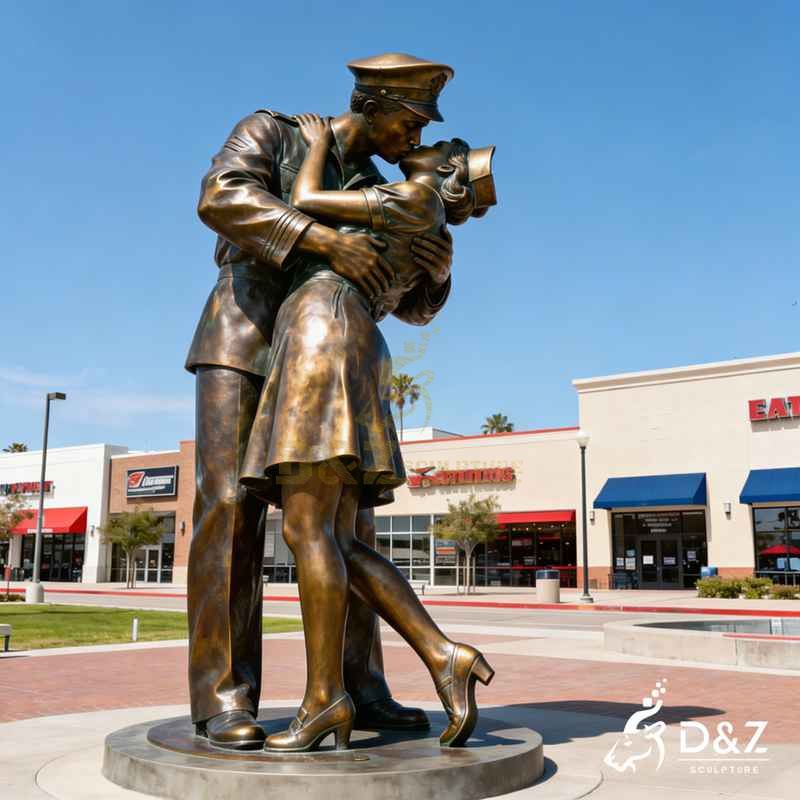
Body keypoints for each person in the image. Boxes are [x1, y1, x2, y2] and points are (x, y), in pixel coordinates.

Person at [186, 53, 457, 750]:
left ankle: (358, 687)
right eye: (410, 121)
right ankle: (223, 696)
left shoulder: (379, 188)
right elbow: (220, 196)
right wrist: (318, 237)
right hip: (245, 336)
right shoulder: (275, 133)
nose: (414, 138)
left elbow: (410, 307)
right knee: (228, 507)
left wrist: (434, 273)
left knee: (349, 521)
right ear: (372, 104)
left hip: (322, 349)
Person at [239, 114, 497, 753]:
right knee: (334, 535)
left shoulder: (410, 197)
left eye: (438, 145)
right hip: (352, 335)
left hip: (322, 330)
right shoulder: (417, 213)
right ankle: (442, 657)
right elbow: (410, 297)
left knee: (307, 531)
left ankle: (327, 697)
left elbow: (301, 202)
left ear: (445, 174)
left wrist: (319, 143)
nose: (422, 143)